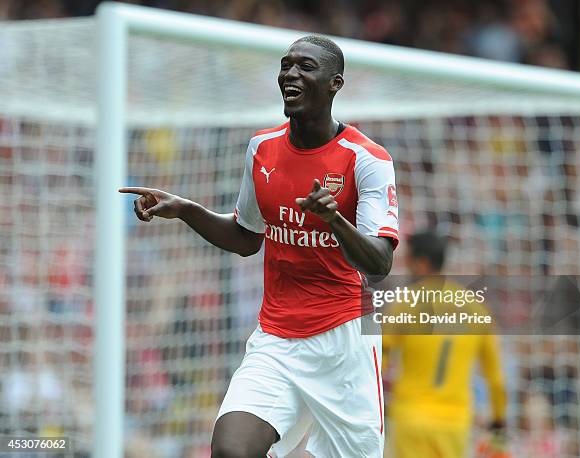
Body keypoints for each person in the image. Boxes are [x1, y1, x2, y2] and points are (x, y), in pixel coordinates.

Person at [120, 35, 399, 457]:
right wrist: (186, 210)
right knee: (231, 449)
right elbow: (247, 238)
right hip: (276, 338)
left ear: (334, 84)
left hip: (345, 343)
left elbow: (379, 265)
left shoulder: (366, 160)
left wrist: (333, 220)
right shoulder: (262, 148)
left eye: (305, 66)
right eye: (286, 65)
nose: (290, 73)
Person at [383, 231, 506, 458]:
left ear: (421, 263)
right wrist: (498, 420)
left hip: (411, 417)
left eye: (407, 260)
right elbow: (496, 379)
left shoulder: (405, 304)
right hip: (455, 422)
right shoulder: (476, 308)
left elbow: (380, 361)